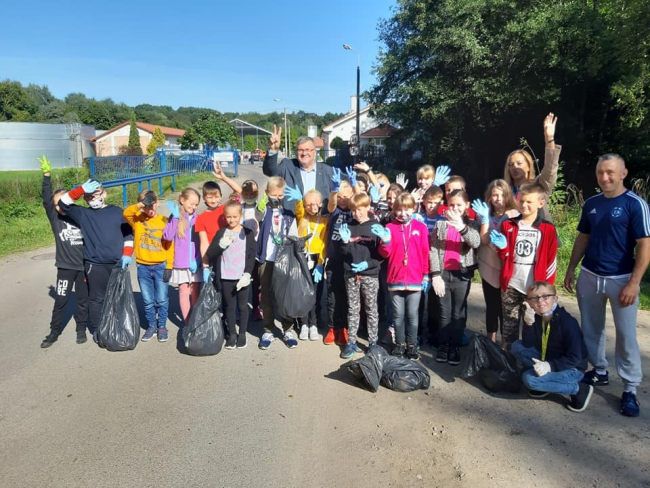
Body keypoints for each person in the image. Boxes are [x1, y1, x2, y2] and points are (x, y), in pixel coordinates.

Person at [564, 153, 650, 417]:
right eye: (601, 172)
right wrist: (571, 268)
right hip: (590, 275)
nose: (604, 178)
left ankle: (630, 388)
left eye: (610, 172)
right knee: (591, 328)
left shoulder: (635, 204)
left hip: (622, 279)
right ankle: (599, 370)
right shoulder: (591, 203)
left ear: (623, 173)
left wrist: (634, 282)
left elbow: (645, 245)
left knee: (625, 337)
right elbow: (583, 238)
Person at [58, 178, 134, 342]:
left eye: (96, 194)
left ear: (104, 194)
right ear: (85, 198)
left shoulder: (117, 212)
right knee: (97, 298)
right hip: (95, 264)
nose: (93, 198)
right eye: (89, 196)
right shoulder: (83, 214)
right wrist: (80, 189)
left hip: (117, 263)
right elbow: (63, 204)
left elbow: (128, 233)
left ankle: (120, 326)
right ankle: (99, 329)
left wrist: (127, 253)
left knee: (118, 297)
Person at [490, 182, 558, 349]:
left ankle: (530, 362)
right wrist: (503, 247)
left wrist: (546, 289)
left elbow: (551, 261)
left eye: (529, 202)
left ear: (540, 203)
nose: (524, 205)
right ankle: (509, 364)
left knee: (533, 327)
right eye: (521, 201)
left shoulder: (547, 229)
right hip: (511, 285)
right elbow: (503, 255)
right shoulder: (509, 225)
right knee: (509, 329)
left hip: (535, 289)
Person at [512, 281, 593, 412]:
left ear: (555, 298)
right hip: (548, 357)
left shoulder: (567, 323)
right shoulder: (537, 316)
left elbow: (575, 358)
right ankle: (544, 385)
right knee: (517, 347)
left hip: (572, 368)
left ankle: (578, 389)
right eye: (534, 298)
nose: (540, 301)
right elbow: (528, 344)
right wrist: (528, 324)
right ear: (528, 301)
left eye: (545, 296)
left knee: (529, 379)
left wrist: (550, 366)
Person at [38, 155, 88, 347]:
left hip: (83, 267)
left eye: (63, 202)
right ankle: (54, 331)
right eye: (57, 203)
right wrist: (47, 176)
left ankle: (81, 329)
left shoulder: (80, 215)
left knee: (83, 300)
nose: (60, 206)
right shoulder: (55, 218)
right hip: (65, 267)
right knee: (61, 300)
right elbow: (46, 200)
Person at [429, 190, 481, 365]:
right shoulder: (440, 225)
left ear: (466, 205)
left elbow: (476, 242)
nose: (455, 208)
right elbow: (434, 250)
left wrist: (461, 227)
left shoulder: (471, 224)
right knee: (444, 312)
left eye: (459, 205)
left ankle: (455, 346)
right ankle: (444, 345)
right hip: (444, 274)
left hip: (462, 275)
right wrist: (435, 275)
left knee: (458, 313)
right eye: (451, 205)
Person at [376, 193, 430, 359]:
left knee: (413, 315)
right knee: (398, 315)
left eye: (406, 209)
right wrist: (384, 241)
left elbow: (425, 252)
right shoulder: (390, 228)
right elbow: (384, 253)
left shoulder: (420, 228)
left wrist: (426, 275)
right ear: (394, 210)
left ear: (413, 209)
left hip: (415, 279)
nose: (402, 213)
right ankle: (399, 344)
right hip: (395, 278)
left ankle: (412, 345)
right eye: (398, 209)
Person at [123, 190, 174, 342]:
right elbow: (126, 213)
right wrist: (140, 204)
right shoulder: (137, 220)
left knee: (162, 299)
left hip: (160, 265)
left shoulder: (164, 221)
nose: (150, 209)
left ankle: (162, 326)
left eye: (152, 205)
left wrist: (169, 266)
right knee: (147, 300)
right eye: (146, 206)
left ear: (158, 203)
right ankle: (152, 325)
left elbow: (170, 245)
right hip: (143, 266)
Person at [205, 200, 256, 349]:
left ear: (240, 215)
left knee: (242, 307)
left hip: (242, 278)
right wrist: (221, 245)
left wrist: (247, 274)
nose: (232, 220)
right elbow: (211, 253)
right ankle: (232, 334)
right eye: (228, 217)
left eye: (235, 216)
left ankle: (243, 334)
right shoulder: (222, 233)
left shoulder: (247, 233)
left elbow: (251, 256)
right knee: (229, 307)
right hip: (226, 277)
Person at [256, 176, 299, 349]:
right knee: (266, 296)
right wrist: (263, 201)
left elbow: (294, 235)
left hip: (284, 260)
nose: (277, 199)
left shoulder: (288, 214)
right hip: (266, 259)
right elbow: (257, 214)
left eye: (281, 195)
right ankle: (268, 329)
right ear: (267, 194)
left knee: (284, 296)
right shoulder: (264, 210)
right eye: (274, 195)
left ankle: (288, 329)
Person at [474, 179, 520, 345]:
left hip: (507, 269)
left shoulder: (515, 215)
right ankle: (490, 343)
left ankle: (505, 344)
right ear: (490, 197)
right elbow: (484, 240)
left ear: (508, 195)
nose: (498, 198)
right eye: (495, 195)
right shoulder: (485, 215)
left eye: (502, 194)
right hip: (488, 267)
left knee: (505, 309)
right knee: (492, 306)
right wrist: (485, 220)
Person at [338, 193, 383, 359]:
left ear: (367, 207)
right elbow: (343, 254)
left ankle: (373, 342)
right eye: (353, 210)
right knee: (353, 309)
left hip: (370, 274)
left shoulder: (375, 226)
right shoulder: (348, 227)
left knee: (371, 309)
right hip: (351, 274)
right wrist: (344, 242)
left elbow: (381, 255)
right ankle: (351, 342)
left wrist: (369, 264)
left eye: (360, 209)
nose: (357, 213)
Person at [285, 186, 328, 341]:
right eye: (308, 204)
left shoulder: (324, 221)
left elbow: (324, 244)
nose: (312, 207)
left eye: (315, 204)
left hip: (317, 260)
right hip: (302, 258)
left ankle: (314, 323)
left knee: (315, 294)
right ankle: (303, 323)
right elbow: (299, 209)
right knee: (302, 293)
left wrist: (321, 263)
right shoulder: (302, 217)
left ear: (320, 204)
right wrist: (298, 200)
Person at [503, 113, 560, 222]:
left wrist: (549, 138)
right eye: (511, 165)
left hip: (540, 236)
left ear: (529, 166)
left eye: (519, 163)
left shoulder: (540, 185)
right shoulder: (504, 192)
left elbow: (550, 168)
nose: (515, 167)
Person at [263, 126, 334, 212]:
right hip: (292, 220)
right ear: (296, 152)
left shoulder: (327, 171)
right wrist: (273, 150)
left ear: (315, 152)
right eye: (300, 150)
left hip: (319, 222)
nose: (304, 153)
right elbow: (270, 171)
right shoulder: (288, 165)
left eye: (308, 149)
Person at [163, 188, 202, 325]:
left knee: (195, 293)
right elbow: (167, 236)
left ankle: (196, 320)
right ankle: (187, 322)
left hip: (195, 263)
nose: (194, 207)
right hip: (180, 263)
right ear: (182, 200)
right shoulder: (176, 217)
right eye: (191, 203)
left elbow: (201, 242)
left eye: (196, 204)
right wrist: (175, 219)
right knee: (183, 293)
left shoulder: (198, 219)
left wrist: (198, 260)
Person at [323, 176, 354, 346]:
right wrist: (335, 190)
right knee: (332, 296)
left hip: (349, 260)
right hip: (334, 259)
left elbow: (360, 201)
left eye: (346, 197)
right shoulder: (334, 209)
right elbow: (331, 205)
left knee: (348, 297)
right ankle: (332, 327)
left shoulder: (353, 210)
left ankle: (344, 328)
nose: (343, 200)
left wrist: (355, 187)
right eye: (340, 196)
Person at [417, 184, 444, 346]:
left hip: (436, 267)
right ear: (424, 202)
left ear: (440, 204)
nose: (432, 205)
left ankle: (433, 333)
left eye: (435, 202)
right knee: (418, 301)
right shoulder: (419, 218)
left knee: (435, 302)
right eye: (429, 202)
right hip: (419, 266)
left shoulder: (443, 220)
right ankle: (418, 332)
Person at [195, 178, 226, 280]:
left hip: (230, 254)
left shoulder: (225, 209)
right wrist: (205, 267)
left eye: (216, 196)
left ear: (221, 196)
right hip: (214, 257)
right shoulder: (201, 218)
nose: (213, 200)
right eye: (209, 197)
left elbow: (240, 192)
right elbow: (204, 243)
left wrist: (223, 177)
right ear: (204, 197)